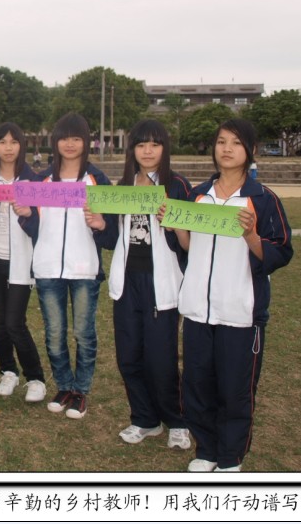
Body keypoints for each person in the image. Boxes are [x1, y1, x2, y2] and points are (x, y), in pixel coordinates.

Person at [159, 118, 293, 472]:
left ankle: (231, 457)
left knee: (235, 389)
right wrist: (177, 227)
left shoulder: (263, 200)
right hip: (197, 311)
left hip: (240, 312)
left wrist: (251, 236)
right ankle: (206, 450)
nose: (227, 149)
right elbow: (188, 249)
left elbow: (280, 252)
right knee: (197, 384)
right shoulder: (197, 195)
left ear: (250, 150)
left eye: (236, 142)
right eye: (221, 142)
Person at [103, 120, 192, 449]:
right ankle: (144, 419)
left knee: (161, 359)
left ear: (164, 149)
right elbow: (112, 238)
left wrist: (173, 223)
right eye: (141, 145)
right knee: (129, 356)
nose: (148, 151)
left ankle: (178, 421)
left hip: (161, 284)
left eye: (155, 144)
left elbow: (189, 244)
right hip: (127, 283)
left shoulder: (177, 185)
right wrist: (99, 222)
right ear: (133, 150)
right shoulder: (124, 185)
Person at [17, 112, 112, 419]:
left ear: (87, 142)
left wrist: (101, 224)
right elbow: (34, 227)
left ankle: (81, 391)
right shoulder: (41, 181)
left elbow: (112, 233)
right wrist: (25, 214)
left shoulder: (98, 180)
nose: (69, 144)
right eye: (64, 138)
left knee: (84, 333)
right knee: (54, 333)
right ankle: (64, 386)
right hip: (47, 269)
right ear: (55, 142)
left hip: (85, 269)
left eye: (76, 138)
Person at [0, 123, 46, 402]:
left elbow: (41, 227)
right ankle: (8, 371)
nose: (8, 147)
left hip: (21, 262)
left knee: (14, 322)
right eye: (2, 142)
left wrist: (29, 214)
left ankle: (35, 377)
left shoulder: (33, 182)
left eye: (14, 142)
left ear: (21, 146)